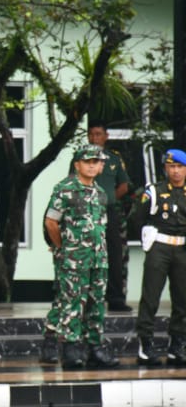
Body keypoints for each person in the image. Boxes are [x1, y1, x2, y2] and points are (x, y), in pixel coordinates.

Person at [42, 144, 120, 370]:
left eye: (97, 162)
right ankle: (71, 347)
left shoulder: (101, 194)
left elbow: (100, 227)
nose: (93, 165)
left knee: (96, 304)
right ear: (77, 164)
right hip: (73, 258)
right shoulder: (64, 189)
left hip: (98, 259)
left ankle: (95, 348)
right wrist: (62, 248)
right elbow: (51, 222)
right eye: (88, 161)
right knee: (72, 302)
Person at [71, 122, 131, 312]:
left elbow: (123, 185)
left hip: (109, 212)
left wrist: (108, 199)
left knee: (114, 254)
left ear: (106, 136)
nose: (95, 138)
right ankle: (87, 299)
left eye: (98, 134)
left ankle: (115, 299)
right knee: (86, 253)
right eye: (91, 134)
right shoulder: (80, 158)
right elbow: (73, 183)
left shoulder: (113, 159)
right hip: (86, 211)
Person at [134, 148, 186, 366]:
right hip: (160, 247)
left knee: (182, 298)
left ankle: (177, 344)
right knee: (151, 296)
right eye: (171, 166)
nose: (176, 171)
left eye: (180, 167)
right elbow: (136, 218)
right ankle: (146, 344)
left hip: (182, 249)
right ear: (165, 168)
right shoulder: (154, 191)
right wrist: (147, 238)